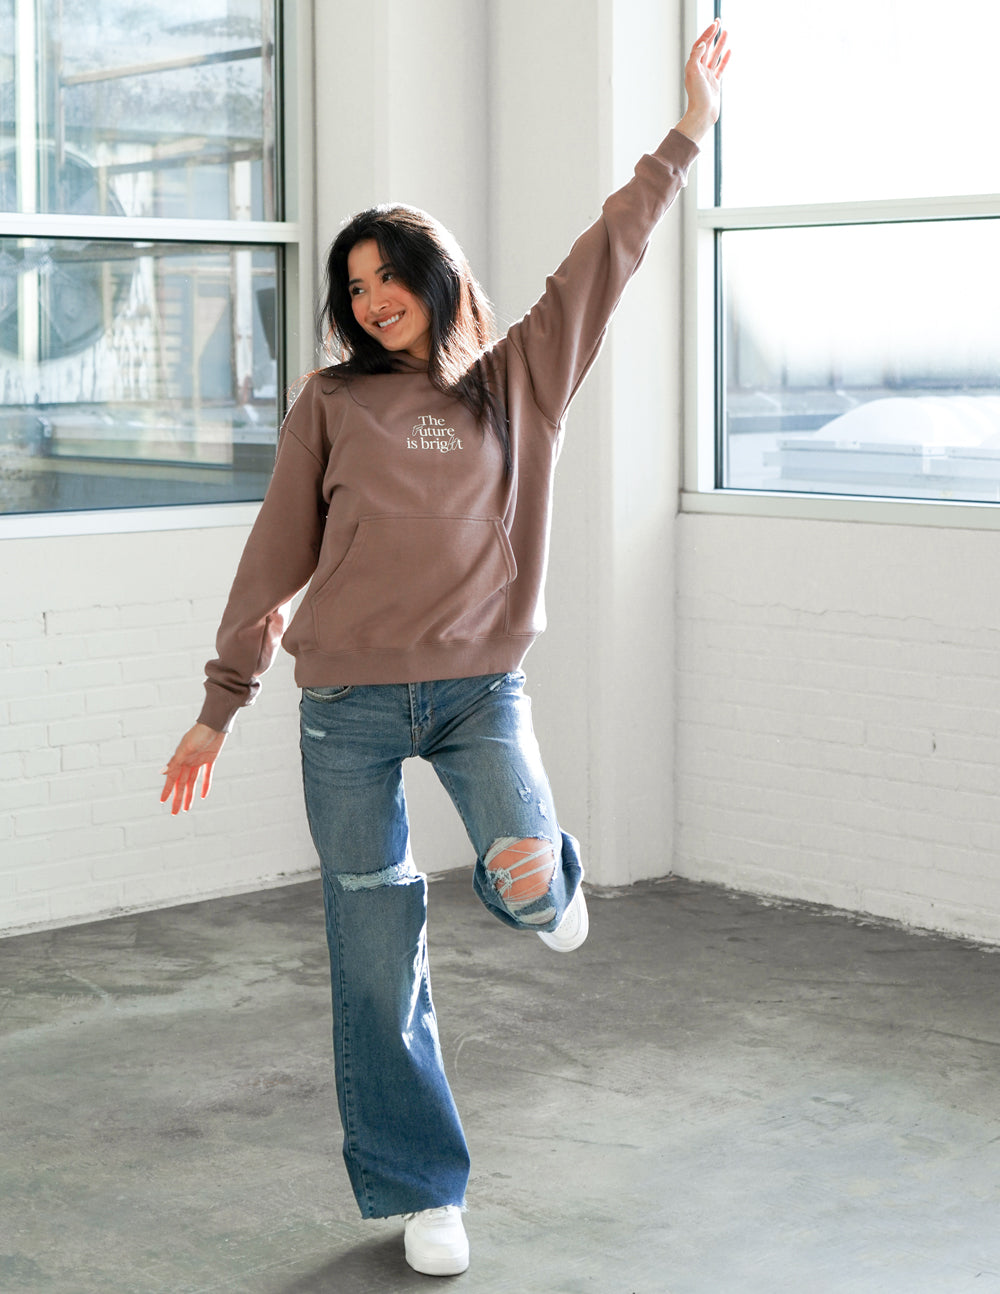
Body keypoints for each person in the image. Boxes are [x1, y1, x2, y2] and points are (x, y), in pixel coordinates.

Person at [160, 20, 730, 1279]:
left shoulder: (517, 379)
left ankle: (550, 884)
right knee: (376, 958)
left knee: (527, 889)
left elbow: (604, 259)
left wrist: (686, 133)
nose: (369, 301)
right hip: (347, 712)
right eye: (352, 287)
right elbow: (273, 557)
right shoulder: (332, 403)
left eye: (386, 277)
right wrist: (221, 700)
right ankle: (427, 1191)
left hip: (479, 694)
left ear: (431, 272)